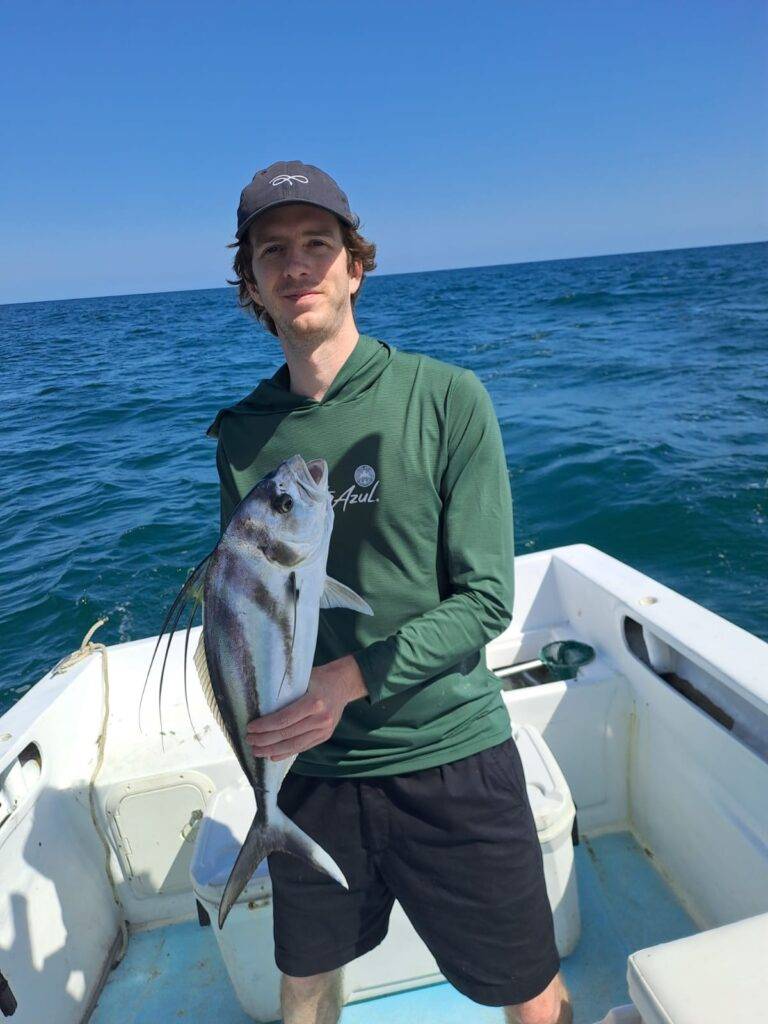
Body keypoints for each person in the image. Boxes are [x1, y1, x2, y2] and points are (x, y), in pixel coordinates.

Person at [208, 160, 572, 1024]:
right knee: (303, 988)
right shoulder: (241, 437)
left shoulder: (446, 398)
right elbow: (244, 604)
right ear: (252, 285)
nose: (297, 266)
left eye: (317, 246)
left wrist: (349, 679)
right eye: (273, 253)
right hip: (312, 771)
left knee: (529, 991)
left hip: (451, 752)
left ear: (355, 265)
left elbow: (486, 600)